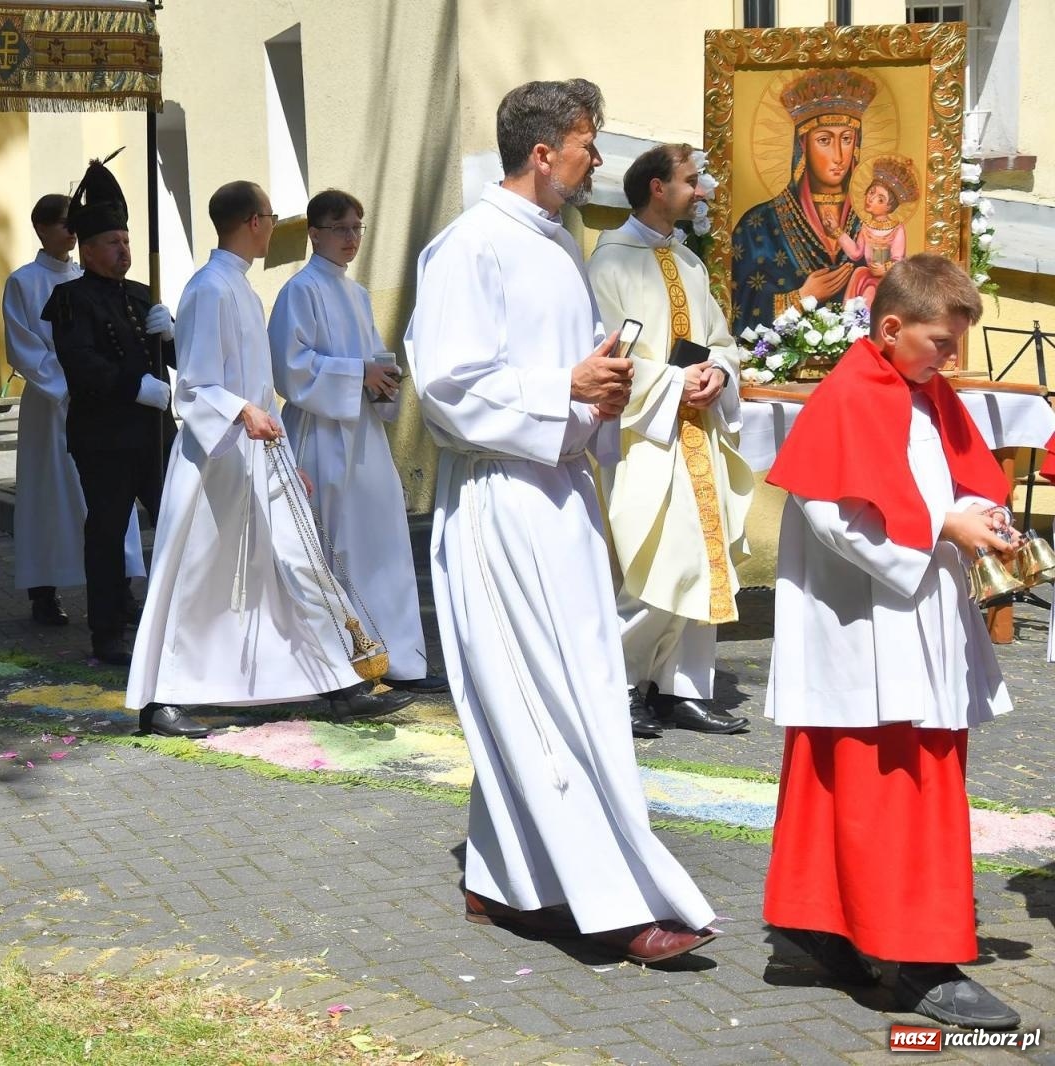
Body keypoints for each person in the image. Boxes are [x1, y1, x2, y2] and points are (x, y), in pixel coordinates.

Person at [404, 80, 718, 965]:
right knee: (541, 698)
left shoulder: (556, 243)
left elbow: (582, 374)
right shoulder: (469, 246)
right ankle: (608, 904)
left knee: (567, 692)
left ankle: (505, 880)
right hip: (503, 499)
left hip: (563, 494)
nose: (597, 161)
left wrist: (613, 387)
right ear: (543, 153)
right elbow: (448, 391)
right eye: (587, 145)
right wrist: (565, 389)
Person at [762, 255, 1021, 1029]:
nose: (954, 357)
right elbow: (833, 514)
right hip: (867, 624)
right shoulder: (848, 395)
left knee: (870, 775)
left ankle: (820, 923)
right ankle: (918, 958)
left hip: (919, 618)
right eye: (942, 341)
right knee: (893, 777)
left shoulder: (927, 390)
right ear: (892, 328)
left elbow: (960, 477)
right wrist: (943, 525)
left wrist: (985, 518)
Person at [124, 179, 413, 739]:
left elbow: (257, 385)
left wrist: (283, 454)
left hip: (258, 455)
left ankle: (340, 683)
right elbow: (196, 386)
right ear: (254, 222)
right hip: (215, 464)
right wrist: (242, 413)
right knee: (197, 578)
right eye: (270, 217)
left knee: (297, 562)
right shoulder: (209, 288)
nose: (273, 227)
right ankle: (162, 699)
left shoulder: (240, 288)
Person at [587, 144, 753, 738]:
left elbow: (721, 342)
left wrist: (719, 374)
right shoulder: (609, 264)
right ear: (657, 188)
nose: (700, 190)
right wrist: (673, 382)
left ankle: (680, 688)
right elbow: (606, 355)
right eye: (690, 180)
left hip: (696, 432)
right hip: (643, 438)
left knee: (702, 561)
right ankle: (617, 684)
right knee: (654, 560)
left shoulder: (689, 263)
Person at [268, 188, 443, 694]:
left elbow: (370, 360)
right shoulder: (299, 291)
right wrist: (358, 374)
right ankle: (344, 663)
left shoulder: (358, 293)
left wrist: (383, 379)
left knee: (384, 546)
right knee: (334, 546)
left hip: (364, 437)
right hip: (321, 435)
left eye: (357, 228)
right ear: (314, 233)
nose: (351, 238)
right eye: (340, 228)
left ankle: (400, 659)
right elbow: (290, 369)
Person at [44, 158, 173, 667]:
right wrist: (134, 386)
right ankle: (107, 630)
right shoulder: (70, 299)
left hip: (155, 434)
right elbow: (80, 362)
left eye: (126, 239)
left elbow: (177, 357)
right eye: (113, 242)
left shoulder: (143, 294)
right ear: (88, 249)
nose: (124, 249)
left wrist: (172, 334)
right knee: (107, 532)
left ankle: (175, 615)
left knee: (174, 521)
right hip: (105, 438)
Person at [5, 192, 144, 626]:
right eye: (65, 224)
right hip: (52, 404)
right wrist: (69, 385)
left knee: (108, 498)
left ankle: (119, 586)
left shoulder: (95, 279)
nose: (72, 231)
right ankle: (44, 590)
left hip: (102, 402)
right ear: (41, 229)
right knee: (49, 497)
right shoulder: (23, 282)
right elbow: (23, 347)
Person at [729, 68, 877, 332]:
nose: (839, 156)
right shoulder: (757, 225)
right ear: (803, 145)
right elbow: (738, 306)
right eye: (824, 140)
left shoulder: (871, 225)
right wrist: (801, 298)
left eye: (846, 139)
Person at [837, 156, 917, 307]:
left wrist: (884, 269)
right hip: (866, 276)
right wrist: (836, 231)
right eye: (871, 192)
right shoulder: (866, 226)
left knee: (873, 293)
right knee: (861, 282)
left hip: (889, 279)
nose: (871, 199)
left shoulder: (897, 228)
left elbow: (898, 259)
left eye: (880, 199)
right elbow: (856, 253)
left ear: (889, 207)